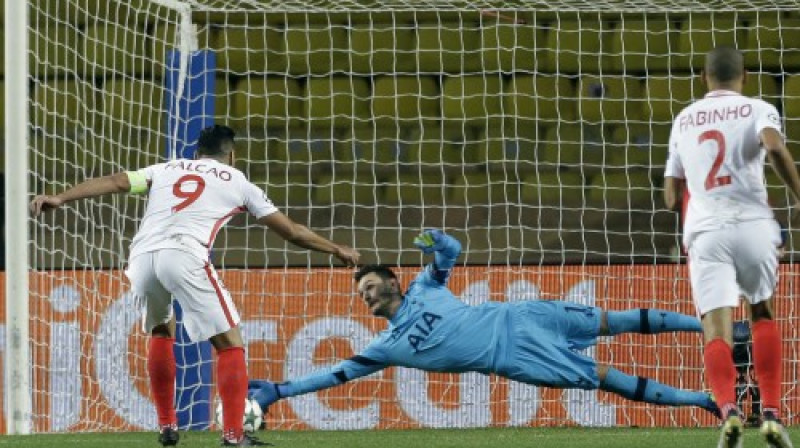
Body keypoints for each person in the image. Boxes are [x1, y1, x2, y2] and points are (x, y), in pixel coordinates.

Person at [30, 125, 361, 447]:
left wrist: (61, 197)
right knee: (230, 342)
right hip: (185, 253)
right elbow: (291, 232)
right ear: (232, 155)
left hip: (142, 257)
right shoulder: (238, 181)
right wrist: (335, 248)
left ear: (196, 153)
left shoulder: (166, 168)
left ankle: (167, 426)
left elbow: (116, 181)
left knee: (161, 332)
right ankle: (233, 436)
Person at [248, 229, 720, 423]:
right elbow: (333, 375)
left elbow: (451, 252)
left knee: (611, 321)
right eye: (360, 294)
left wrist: (437, 241)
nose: (364, 296)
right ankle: (705, 401)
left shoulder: (425, 287)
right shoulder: (385, 345)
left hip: (519, 314)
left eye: (369, 286)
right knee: (604, 379)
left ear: (392, 280)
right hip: (514, 358)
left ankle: (712, 329)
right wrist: (280, 390)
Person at [663, 46, 800, 448]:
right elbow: (774, 146)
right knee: (761, 311)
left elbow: (671, 197)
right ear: (744, 77)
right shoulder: (758, 107)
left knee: (716, 327)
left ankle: (729, 411)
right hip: (754, 225)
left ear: (704, 78)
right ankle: (772, 414)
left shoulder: (684, 118)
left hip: (705, 230)